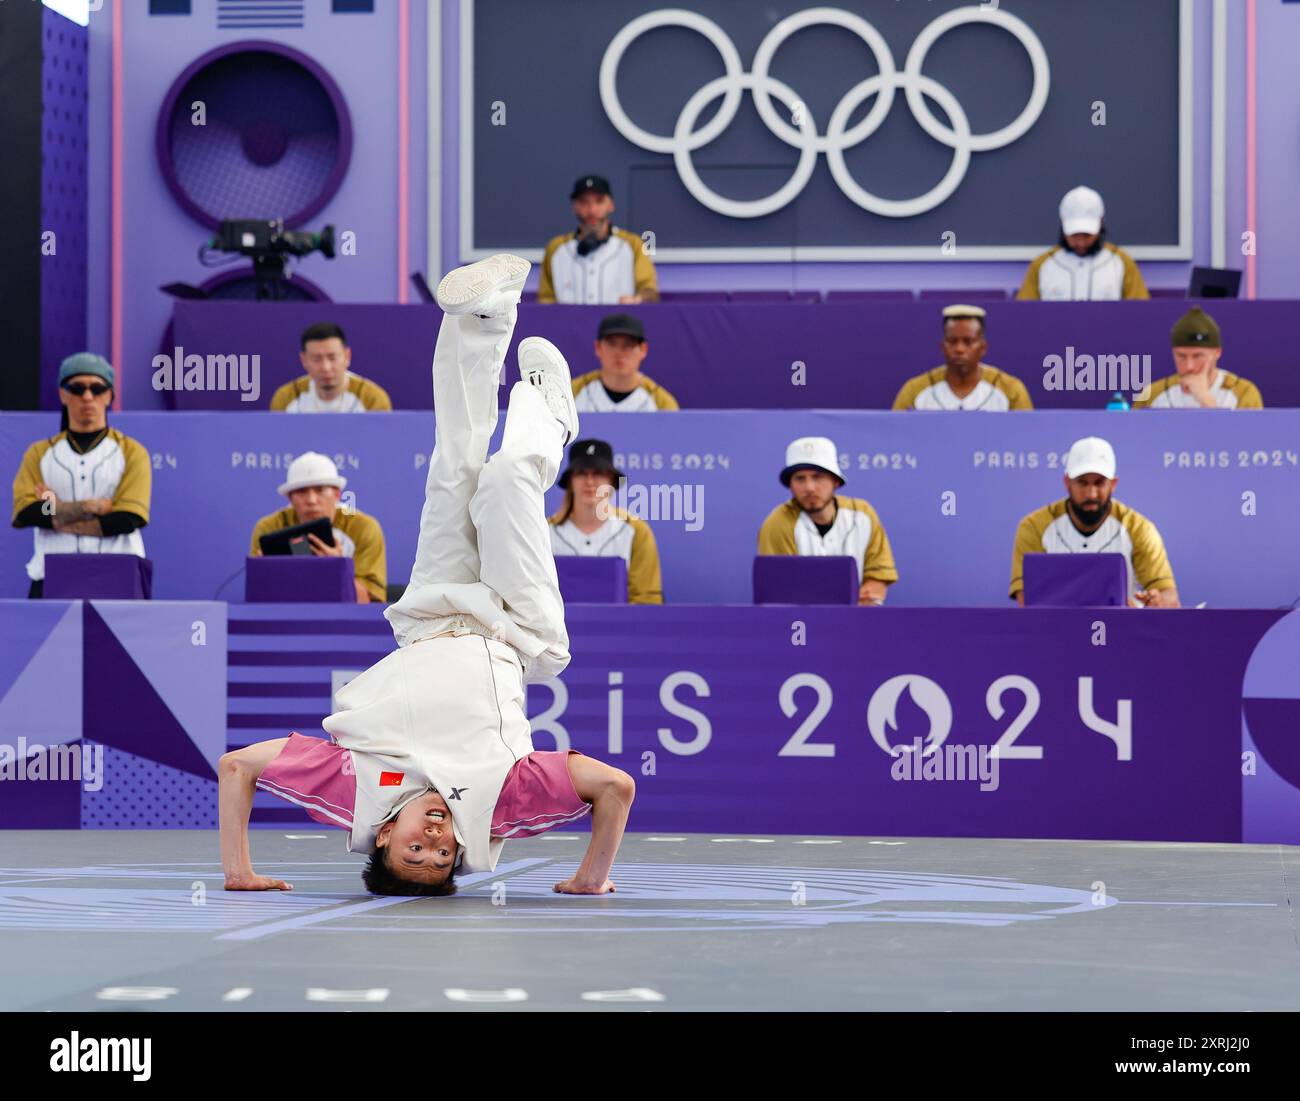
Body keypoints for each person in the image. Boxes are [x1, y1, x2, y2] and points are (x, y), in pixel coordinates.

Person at [219, 254, 636, 897]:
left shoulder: (350, 788)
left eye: (417, 848)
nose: (438, 840)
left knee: (452, 464)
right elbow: (615, 787)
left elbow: (237, 766)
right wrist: (591, 878)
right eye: (444, 858)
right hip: (515, 628)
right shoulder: (496, 808)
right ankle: (552, 417)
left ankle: (485, 320)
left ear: (382, 836)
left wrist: (237, 870)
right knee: (502, 482)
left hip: (431, 612)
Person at [10, 353, 150, 598]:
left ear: (109, 395)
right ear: (63, 395)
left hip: (117, 572)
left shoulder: (131, 451)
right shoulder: (40, 453)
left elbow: (128, 518)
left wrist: (55, 509)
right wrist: (92, 506)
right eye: (76, 388)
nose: (87, 396)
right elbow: (27, 513)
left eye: (97, 388)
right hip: (50, 573)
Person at [1009, 436, 1178, 607]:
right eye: (1082, 483)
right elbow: (1026, 602)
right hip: (1055, 629)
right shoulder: (1034, 526)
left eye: (1099, 483)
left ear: (1113, 484)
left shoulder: (1138, 528)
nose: (1091, 494)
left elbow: (1170, 599)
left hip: (1122, 629)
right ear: (1067, 482)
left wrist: (1154, 603)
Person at [757, 436, 898, 606]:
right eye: (800, 478)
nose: (809, 487)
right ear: (790, 485)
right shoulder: (777, 523)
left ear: (835, 481)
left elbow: (878, 580)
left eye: (818, 477)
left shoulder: (864, 514)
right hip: (800, 622)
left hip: (856, 620)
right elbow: (779, 593)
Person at [249, 451, 387, 604]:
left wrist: (337, 568)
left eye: (320, 490)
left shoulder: (364, 528)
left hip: (344, 620)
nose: (312, 500)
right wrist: (263, 574)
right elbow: (260, 600)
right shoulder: (269, 528)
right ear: (290, 498)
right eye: (301, 492)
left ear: (337, 494)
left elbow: (367, 602)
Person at [549, 438, 664, 604]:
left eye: (598, 473)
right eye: (581, 473)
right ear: (570, 481)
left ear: (611, 480)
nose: (589, 481)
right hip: (556, 629)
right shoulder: (545, 531)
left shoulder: (637, 531)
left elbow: (646, 601)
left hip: (621, 629)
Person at [538, 175, 659, 305]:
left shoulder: (633, 244)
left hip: (618, 324)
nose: (592, 210)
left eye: (599, 201)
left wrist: (638, 299)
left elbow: (650, 292)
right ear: (574, 206)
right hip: (569, 324)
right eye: (583, 202)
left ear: (611, 205)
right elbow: (545, 301)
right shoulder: (556, 248)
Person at [1017, 186, 1149, 301]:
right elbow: (1023, 316)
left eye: (1087, 235)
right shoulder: (1041, 265)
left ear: (1101, 223)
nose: (1081, 243)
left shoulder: (1121, 262)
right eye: (1074, 235)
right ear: (1063, 225)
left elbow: (1141, 313)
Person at [892, 305, 1033, 411]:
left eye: (968, 342)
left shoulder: (1011, 390)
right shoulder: (914, 390)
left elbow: (1027, 440)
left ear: (983, 348)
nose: (959, 349)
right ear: (942, 347)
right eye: (952, 341)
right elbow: (895, 440)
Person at [1134, 307, 1263, 409]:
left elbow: (1249, 440)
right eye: (1181, 356)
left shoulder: (1243, 393)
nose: (1189, 366)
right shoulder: (1153, 394)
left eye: (1198, 356)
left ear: (1217, 353)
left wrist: (1206, 400)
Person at [269, 322, 393, 412]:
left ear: (347, 356)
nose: (326, 367)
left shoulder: (372, 398)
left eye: (332, 358)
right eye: (317, 359)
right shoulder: (286, 397)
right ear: (304, 360)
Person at [571, 313, 679, 412]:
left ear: (643, 349)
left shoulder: (663, 403)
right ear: (598, 347)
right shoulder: (570, 392)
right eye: (612, 343)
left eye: (629, 344)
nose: (619, 352)